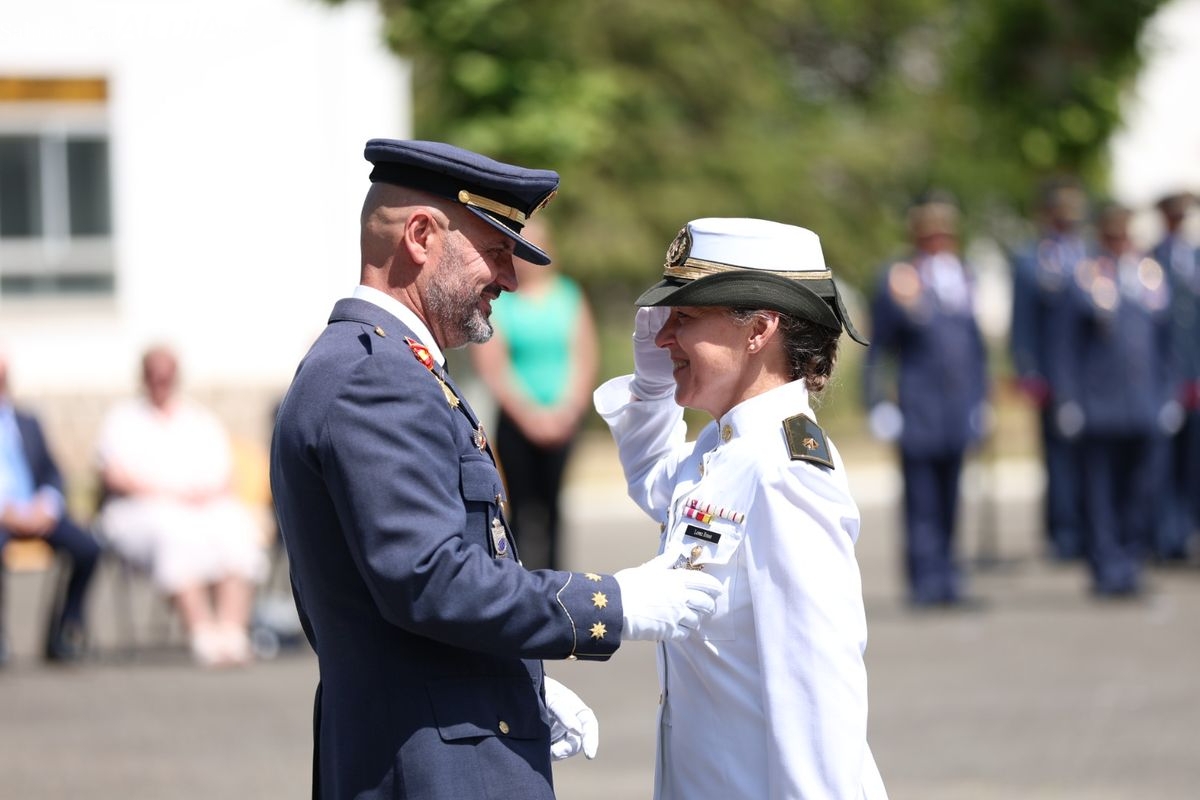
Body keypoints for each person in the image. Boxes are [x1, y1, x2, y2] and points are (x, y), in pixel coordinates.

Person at [269, 138, 722, 800]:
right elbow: (432, 581)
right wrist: (615, 603)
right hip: (432, 764)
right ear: (421, 236)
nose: (510, 278)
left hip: (433, 736)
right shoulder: (377, 379)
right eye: (495, 250)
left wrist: (511, 678)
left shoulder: (379, 364)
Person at [594, 217, 888, 799]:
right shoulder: (722, 447)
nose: (662, 338)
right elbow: (654, 481)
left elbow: (817, 694)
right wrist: (652, 388)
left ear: (758, 329)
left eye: (684, 318)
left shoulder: (785, 473)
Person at [95, 345, 268, 666]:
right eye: (154, 375)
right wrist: (168, 492)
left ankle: (232, 632)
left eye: (166, 375)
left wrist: (202, 494)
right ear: (144, 377)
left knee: (236, 526)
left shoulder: (198, 418)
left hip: (201, 506)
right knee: (174, 531)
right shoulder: (123, 419)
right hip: (142, 509)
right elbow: (113, 474)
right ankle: (202, 632)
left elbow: (224, 474)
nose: (161, 382)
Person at [862, 195, 990, 607]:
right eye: (930, 235)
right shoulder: (900, 277)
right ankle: (924, 582)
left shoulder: (963, 276)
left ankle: (949, 579)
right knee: (921, 499)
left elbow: (975, 347)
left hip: (957, 406)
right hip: (917, 406)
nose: (938, 242)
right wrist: (877, 402)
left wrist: (981, 400)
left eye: (944, 234)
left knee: (951, 496)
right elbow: (879, 348)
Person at [1049, 203, 1176, 596]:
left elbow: (1167, 344)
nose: (1120, 241)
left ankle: (1131, 563)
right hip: (1100, 406)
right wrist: (1068, 398)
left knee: (1140, 490)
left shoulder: (1150, 277)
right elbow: (1065, 346)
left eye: (1125, 234)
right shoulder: (1086, 277)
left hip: (1143, 403)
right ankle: (1106, 567)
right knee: (1100, 493)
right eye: (1113, 235)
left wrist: (1168, 394)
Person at [468, 217, 599, 570]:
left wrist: (567, 410)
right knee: (519, 508)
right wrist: (529, 416)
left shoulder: (568, 295)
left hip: (564, 419)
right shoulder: (503, 302)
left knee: (555, 508)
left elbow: (584, 355)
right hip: (517, 421)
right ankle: (516, 578)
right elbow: (493, 365)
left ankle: (556, 583)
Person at [0, 348, 101, 664]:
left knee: (88, 548)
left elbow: (53, 473)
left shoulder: (27, 421)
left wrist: (47, 503)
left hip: (35, 512)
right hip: (3, 516)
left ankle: (64, 631)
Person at [1009, 178, 1091, 560]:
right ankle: (1064, 532)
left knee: (1092, 458)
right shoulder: (1033, 259)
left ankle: (1090, 528)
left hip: (1093, 377)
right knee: (1059, 459)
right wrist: (1029, 371)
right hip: (1055, 375)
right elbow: (1023, 322)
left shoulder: (1088, 254)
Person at [1151, 191, 1200, 561]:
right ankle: (1168, 535)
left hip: (1196, 377)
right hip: (1164, 379)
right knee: (1163, 464)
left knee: (1194, 464)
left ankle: (1190, 532)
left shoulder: (1196, 258)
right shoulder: (1150, 261)